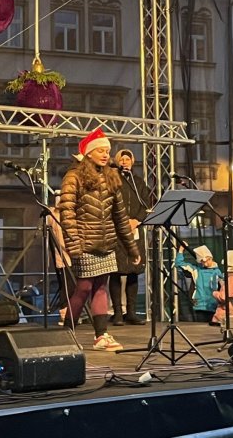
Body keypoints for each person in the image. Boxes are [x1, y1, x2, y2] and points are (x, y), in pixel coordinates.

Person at [59, 127, 140, 351]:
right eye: (101, 150)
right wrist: (73, 243)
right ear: (89, 153)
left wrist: (132, 249)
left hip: (106, 243)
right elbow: (67, 212)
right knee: (84, 288)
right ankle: (67, 333)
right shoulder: (74, 176)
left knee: (100, 288)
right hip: (85, 242)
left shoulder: (111, 177)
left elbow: (121, 217)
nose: (105, 155)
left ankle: (101, 335)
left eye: (107, 151)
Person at [108, 149, 151, 326]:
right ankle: (118, 312)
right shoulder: (112, 180)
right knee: (116, 271)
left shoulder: (138, 182)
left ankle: (131, 312)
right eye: (122, 159)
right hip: (116, 231)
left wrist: (137, 220)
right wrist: (122, 222)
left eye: (128, 158)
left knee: (134, 270)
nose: (125, 161)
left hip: (135, 230)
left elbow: (146, 205)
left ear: (133, 161)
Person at [175, 244, 223, 323]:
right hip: (200, 306)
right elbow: (179, 264)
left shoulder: (218, 272)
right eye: (202, 262)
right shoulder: (196, 270)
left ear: (211, 258)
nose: (205, 264)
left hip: (213, 306)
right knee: (201, 328)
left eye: (207, 260)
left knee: (213, 328)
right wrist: (181, 250)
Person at [48, 189, 75, 325]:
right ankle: (65, 313)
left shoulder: (72, 213)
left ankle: (73, 312)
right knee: (67, 284)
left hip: (74, 254)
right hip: (63, 256)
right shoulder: (54, 214)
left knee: (73, 285)